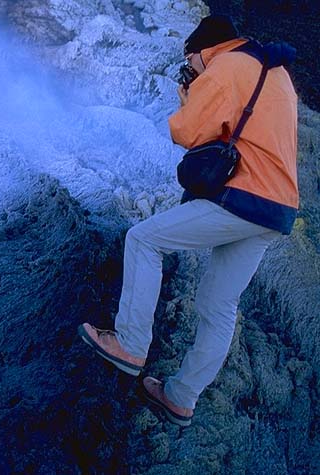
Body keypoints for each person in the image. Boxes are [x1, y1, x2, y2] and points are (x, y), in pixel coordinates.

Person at [77, 15, 298, 427]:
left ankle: (129, 344)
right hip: (277, 210)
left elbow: (186, 132)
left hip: (243, 199)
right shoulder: (274, 71)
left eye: (191, 60)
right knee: (218, 305)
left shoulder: (227, 67)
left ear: (201, 50)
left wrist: (189, 93)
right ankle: (180, 397)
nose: (192, 67)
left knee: (144, 239)